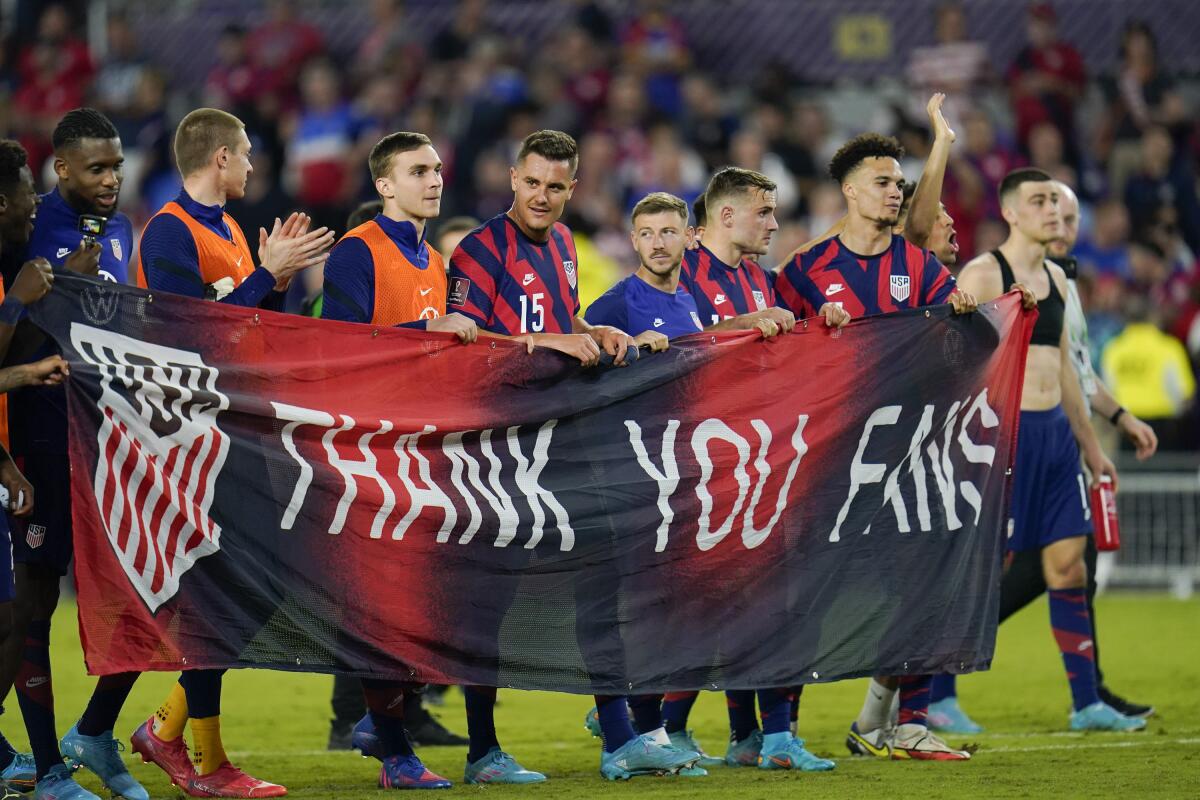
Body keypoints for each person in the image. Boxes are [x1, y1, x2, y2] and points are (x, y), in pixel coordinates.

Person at [132, 107, 334, 799]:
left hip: (237, 435)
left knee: (254, 592)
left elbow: (250, 334)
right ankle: (205, 761)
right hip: (188, 444)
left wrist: (273, 280)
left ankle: (163, 731)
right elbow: (193, 340)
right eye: (246, 154)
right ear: (219, 158)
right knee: (227, 596)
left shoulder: (231, 233)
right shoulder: (168, 231)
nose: (253, 166)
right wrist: (263, 275)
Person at [927, 181, 1159, 730]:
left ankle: (1087, 704)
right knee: (979, 570)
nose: (1052, 211)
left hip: (1055, 436)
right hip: (1003, 439)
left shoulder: (1056, 278)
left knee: (1068, 566)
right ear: (1008, 211)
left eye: (1056, 203)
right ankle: (937, 696)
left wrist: (1092, 447)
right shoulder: (985, 274)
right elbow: (948, 362)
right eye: (1039, 201)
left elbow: (1067, 372)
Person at [774, 132, 976, 761]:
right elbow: (771, 355)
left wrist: (968, 315)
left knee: (920, 583)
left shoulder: (920, 269)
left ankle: (908, 722)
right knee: (804, 593)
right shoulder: (805, 268)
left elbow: (959, 351)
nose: (895, 192)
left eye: (899, 184)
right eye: (884, 182)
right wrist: (811, 330)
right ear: (851, 190)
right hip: (829, 455)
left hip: (904, 453)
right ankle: (779, 732)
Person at [447, 129, 636, 784]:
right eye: (533, 183)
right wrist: (554, 337)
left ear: (572, 189)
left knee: (600, 570)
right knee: (486, 599)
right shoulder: (478, 250)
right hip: (497, 444)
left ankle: (620, 737)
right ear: (512, 179)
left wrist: (592, 329)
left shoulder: (563, 246)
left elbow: (560, 319)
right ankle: (480, 750)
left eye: (556, 186)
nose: (543, 196)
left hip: (559, 436)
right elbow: (463, 344)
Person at [662, 167, 844, 773]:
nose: (773, 222)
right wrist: (731, 330)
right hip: (701, 466)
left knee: (765, 601)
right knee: (723, 605)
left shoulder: (763, 280)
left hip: (762, 459)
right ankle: (659, 719)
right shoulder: (679, 271)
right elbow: (660, 349)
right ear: (727, 216)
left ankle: (755, 736)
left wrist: (824, 324)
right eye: (764, 212)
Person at [0, 108, 152, 800]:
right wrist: (59, 294)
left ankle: (91, 731)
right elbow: (18, 345)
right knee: (32, 599)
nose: (112, 180)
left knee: (150, 589)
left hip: (106, 439)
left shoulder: (120, 230)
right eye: (97, 168)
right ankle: (45, 763)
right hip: (38, 437)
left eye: (117, 166)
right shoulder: (28, 235)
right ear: (61, 169)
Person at [0, 138, 71, 796]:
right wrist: (21, 302)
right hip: (27, 450)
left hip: (18, 456)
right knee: (17, 612)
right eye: (28, 189)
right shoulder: (14, 265)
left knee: (10, 614)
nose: (37, 202)